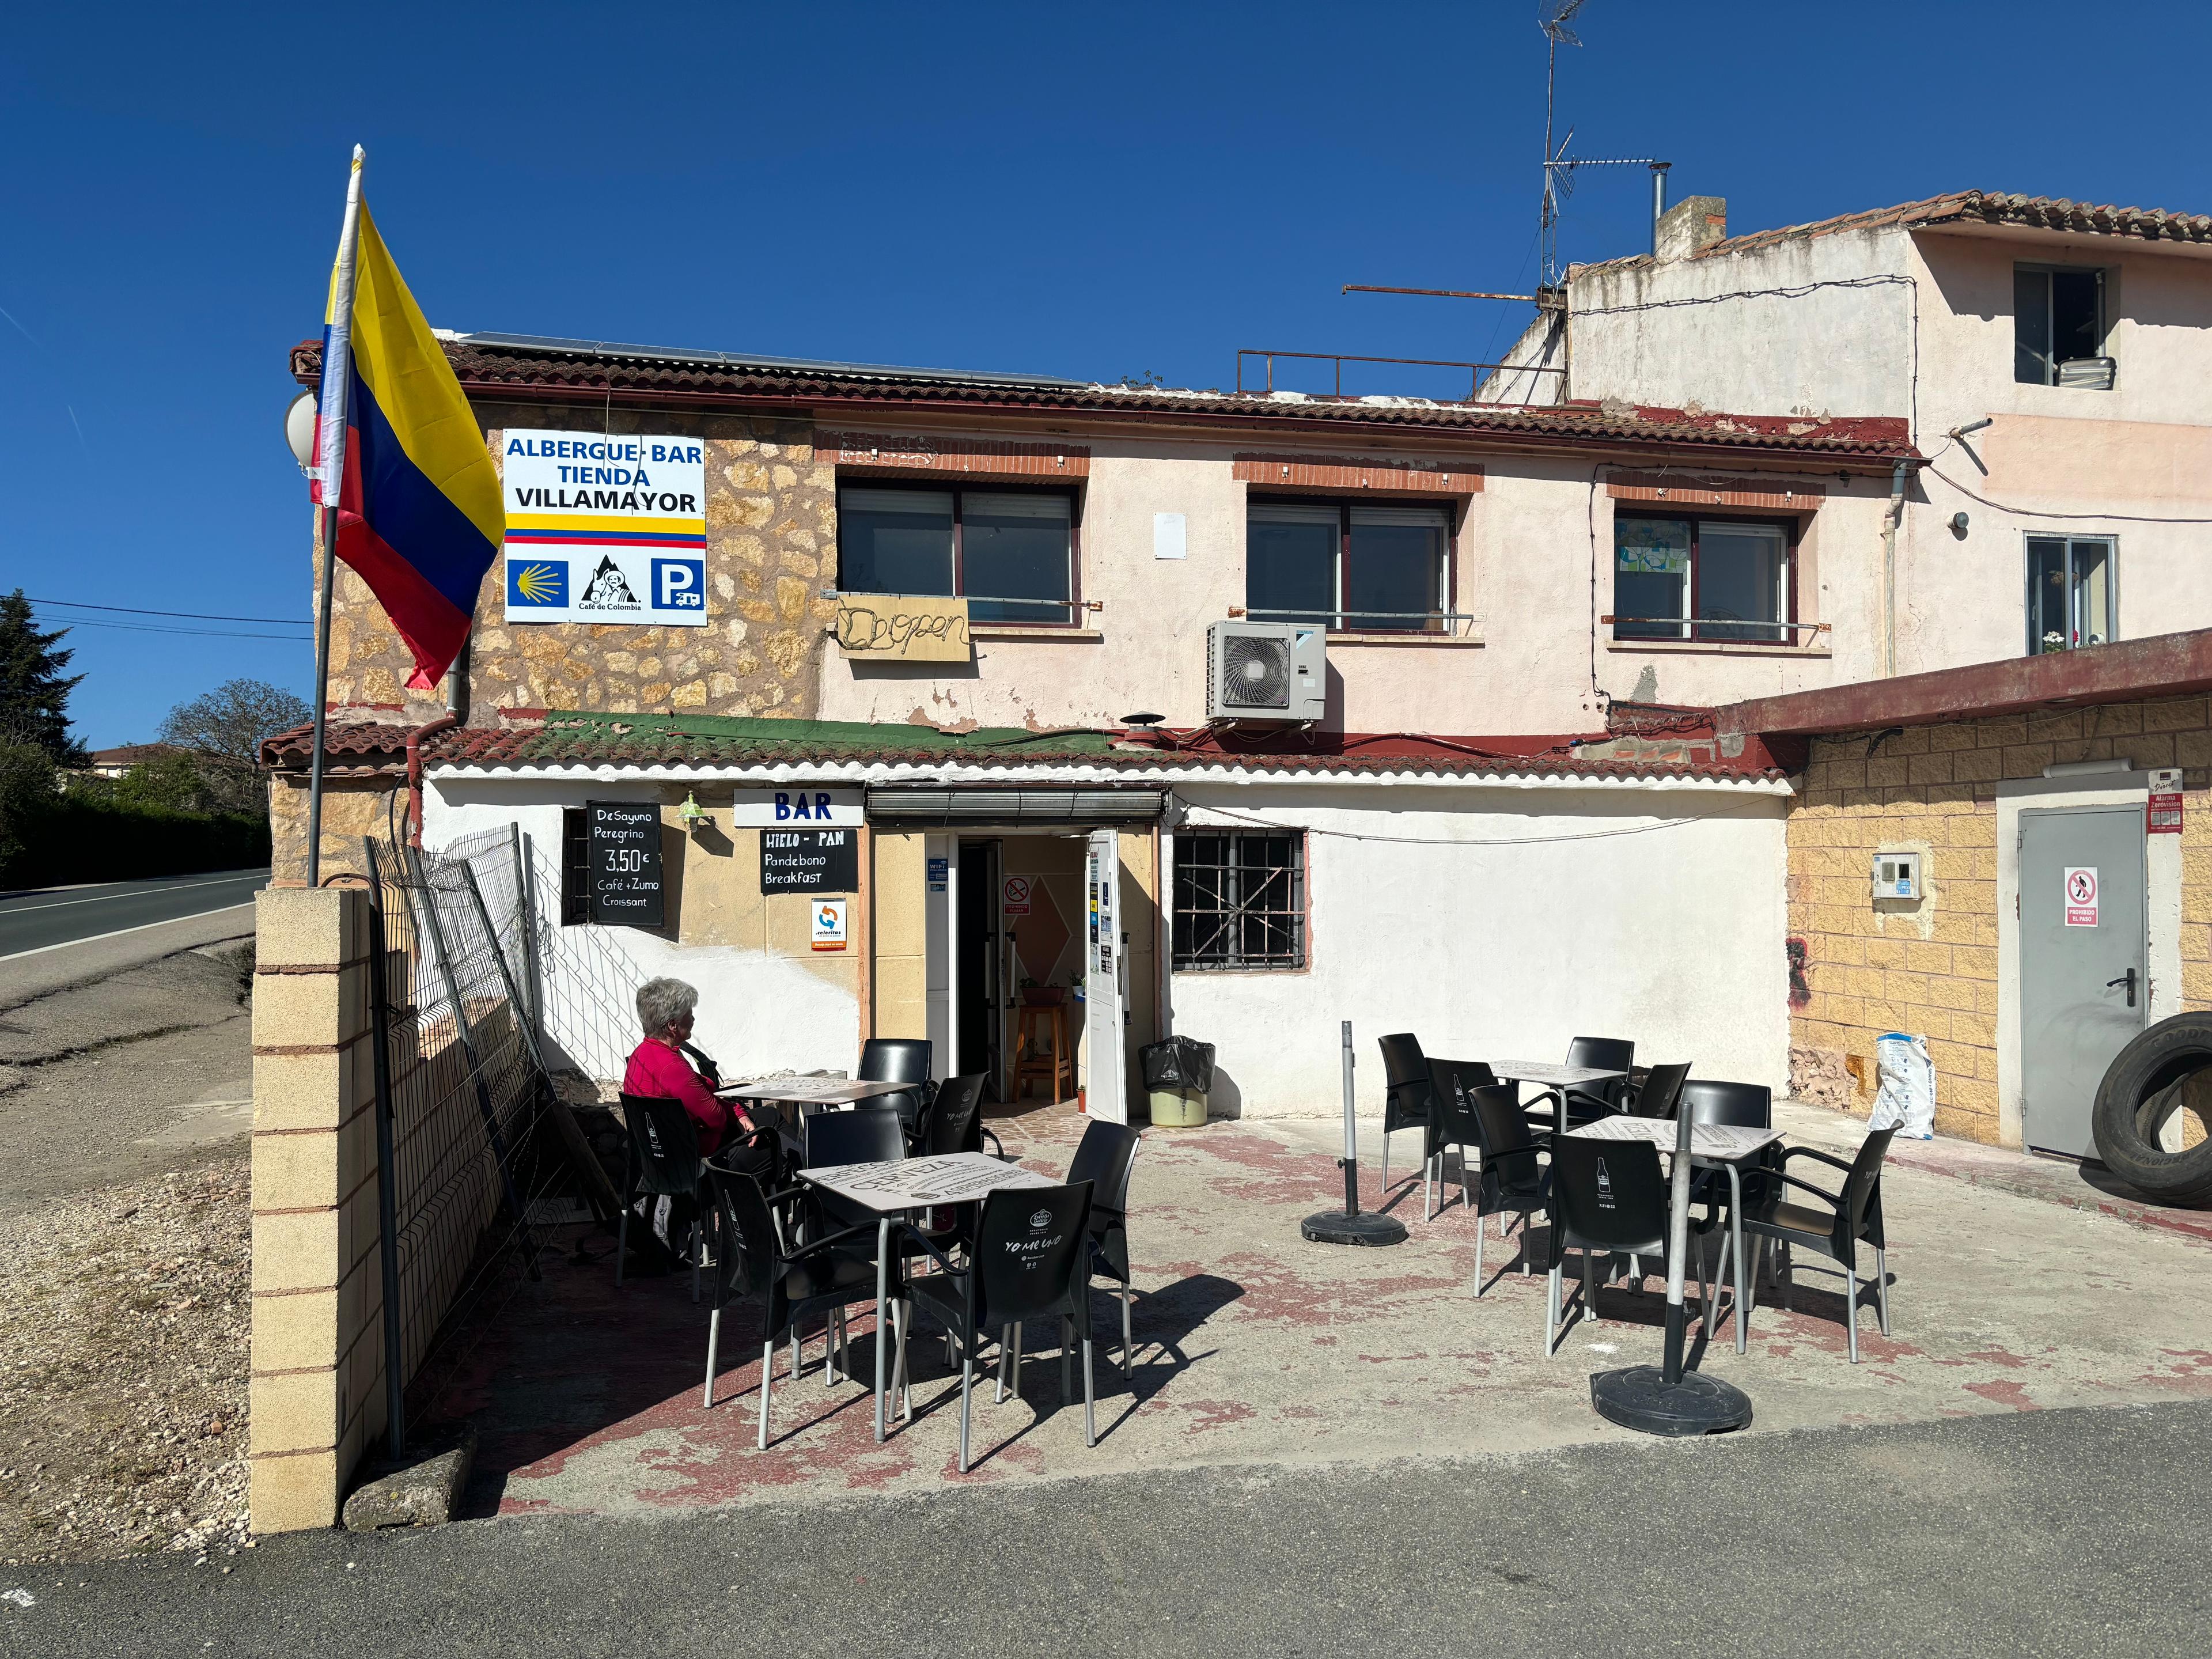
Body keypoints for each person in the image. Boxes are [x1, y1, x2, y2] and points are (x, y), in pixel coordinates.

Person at [623, 978, 775, 1263]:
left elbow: (704, 1103)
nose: (693, 1018)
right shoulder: (672, 1067)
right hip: (695, 1174)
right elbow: (716, 1119)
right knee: (776, 1146)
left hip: (657, 1166)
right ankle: (781, 1230)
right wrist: (735, 1112)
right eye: (688, 1014)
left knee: (769, 1120)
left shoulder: (642, 1056)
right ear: (672, 1025)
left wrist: (740, 1113)